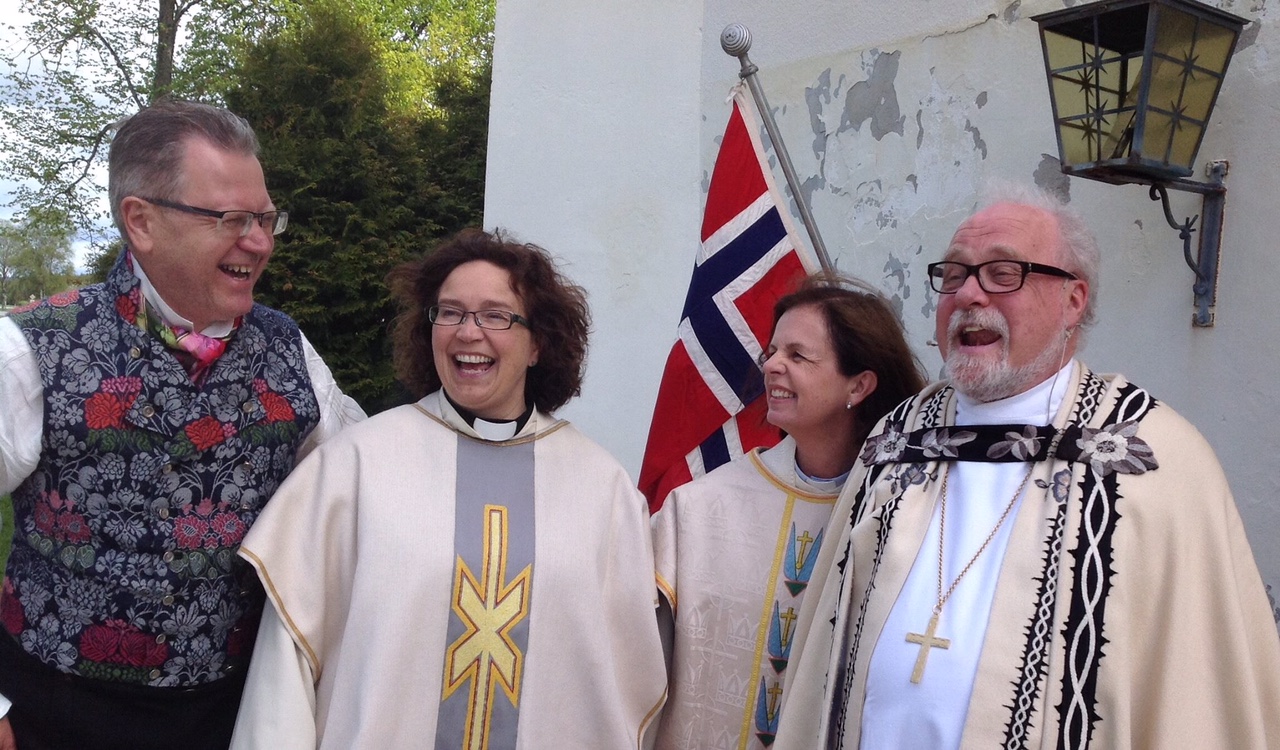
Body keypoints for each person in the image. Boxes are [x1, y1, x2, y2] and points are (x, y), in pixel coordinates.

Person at [775, 183, 1280, 749]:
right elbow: (828, 643)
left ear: (1073, 300)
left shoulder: (1150, 457)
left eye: (1003, 273)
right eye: (956, 274)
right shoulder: (899, 439)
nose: (969, 293)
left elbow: (1197, 694)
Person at [0, 99, 365, 749]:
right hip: (49, 718)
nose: (258, 240)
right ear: (140, 221)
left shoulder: (290, 352)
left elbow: (368, 491)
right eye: (231, 218)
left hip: (226, 719)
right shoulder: (31, 347)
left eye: (264, 217)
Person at [229, 228, 667, 749]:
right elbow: (285, 668)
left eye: (496, 315)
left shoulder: (602, 491)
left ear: (538, 344)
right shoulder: (357, 466)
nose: (467, 332)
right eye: (451, 312)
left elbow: (623, 682)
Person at [651, 273, 925, 749]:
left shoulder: (905, 512)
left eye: (797, 356)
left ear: (859, 385)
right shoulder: (701, 509)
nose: (772, 365)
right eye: (772, 352)